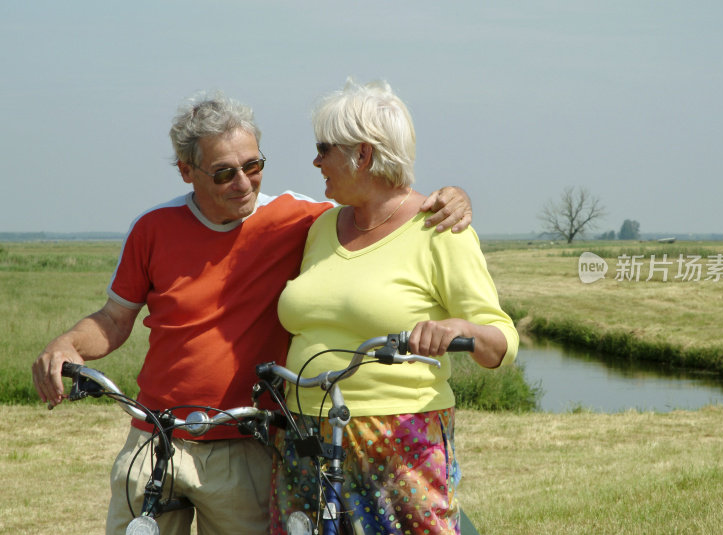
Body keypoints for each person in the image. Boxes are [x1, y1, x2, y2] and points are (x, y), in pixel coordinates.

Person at [30, 91, 473, 535]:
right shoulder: (152, 228)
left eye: (253, 166)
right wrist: (66, 344)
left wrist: (453, 195)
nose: (243, 183)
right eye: (224, 173)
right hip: (156, 437)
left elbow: (380, 202)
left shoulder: (302, 218)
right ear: (187, 171)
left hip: (248, 442)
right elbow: (113, 319)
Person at [272, 79, 519, 534]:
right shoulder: (322, 227)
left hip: (397, 439)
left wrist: (459, 326)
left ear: (362, 155)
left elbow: (500, 340)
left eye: (324, 148)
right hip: (305, 434)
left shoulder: (439, 227)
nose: (316, 160)